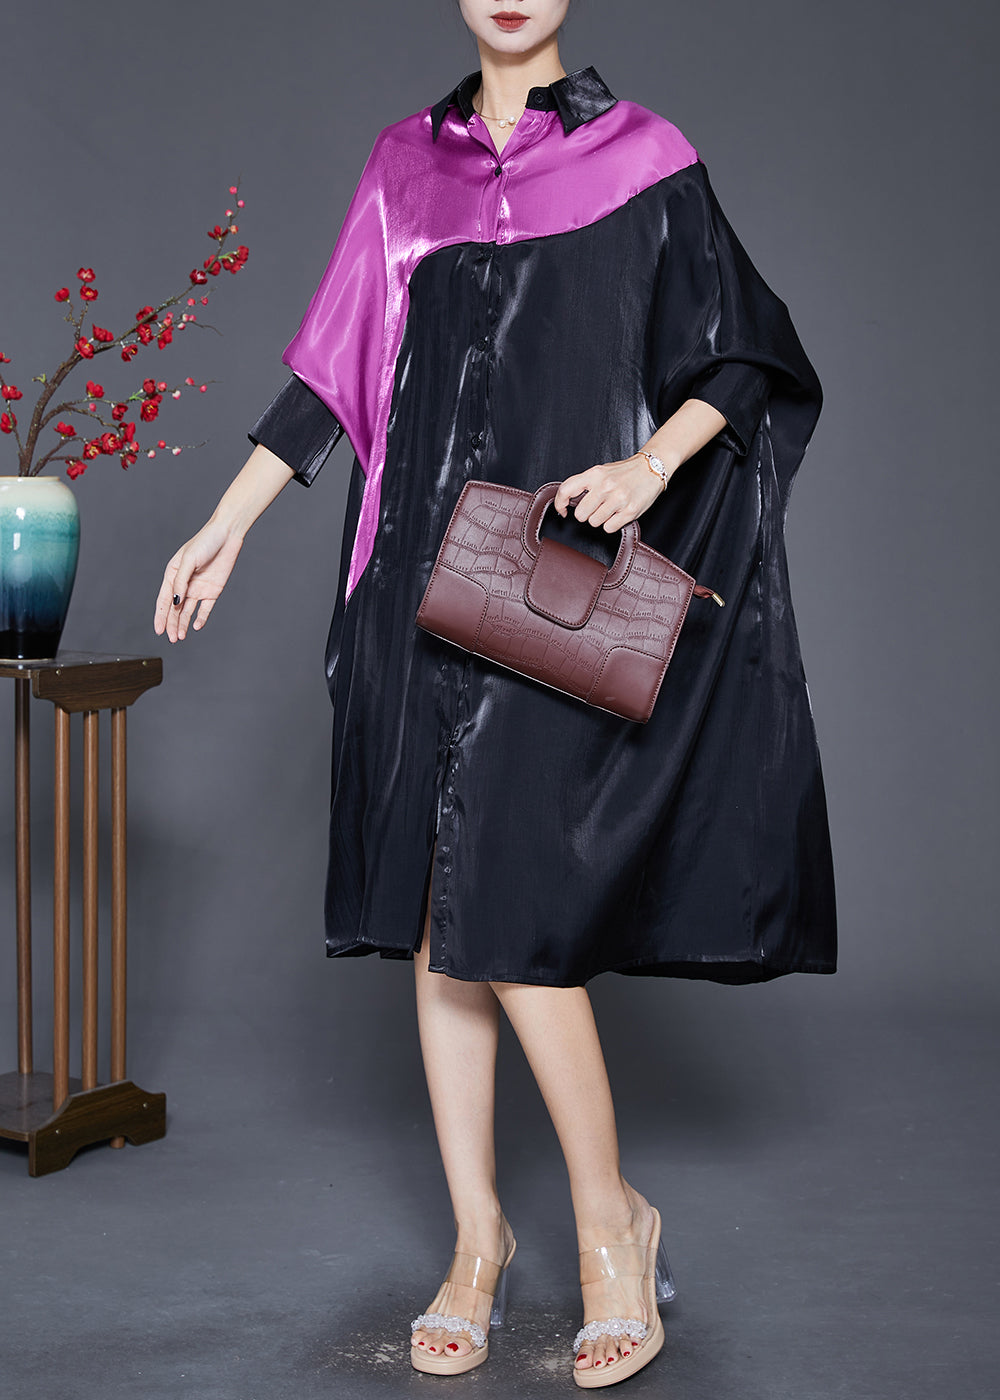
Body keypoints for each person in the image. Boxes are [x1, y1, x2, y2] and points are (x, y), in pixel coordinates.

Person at [154, 0, 836, 1386]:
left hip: (546, 587)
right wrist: (225, 524)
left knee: (508, 906)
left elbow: (744, 350)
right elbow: (333, 378)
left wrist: (650, 466)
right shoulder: (404, 166)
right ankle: (478, 1239)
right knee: (438, 916)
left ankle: (609, 1225)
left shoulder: (643, 158)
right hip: (410, 583)